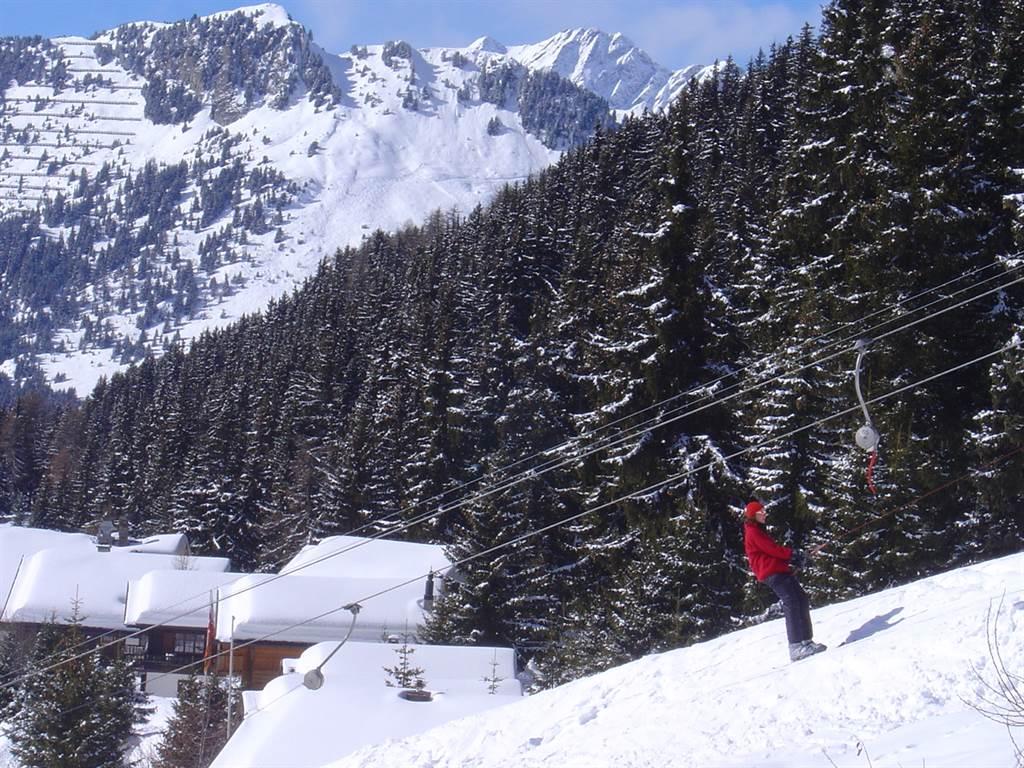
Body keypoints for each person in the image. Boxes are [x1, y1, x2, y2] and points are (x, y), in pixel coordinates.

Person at [742, 499, 826, 662]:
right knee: (792, 602)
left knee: (800, 599)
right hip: (771, 573)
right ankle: (795, 646)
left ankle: (806, 641)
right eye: (761, 512)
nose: (764, 514)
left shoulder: (758, 530)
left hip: (779, 570)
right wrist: (794, 554)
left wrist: (795, 557)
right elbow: (772, 550)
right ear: (753, 515)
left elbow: (773, 553)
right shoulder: (753, 532)